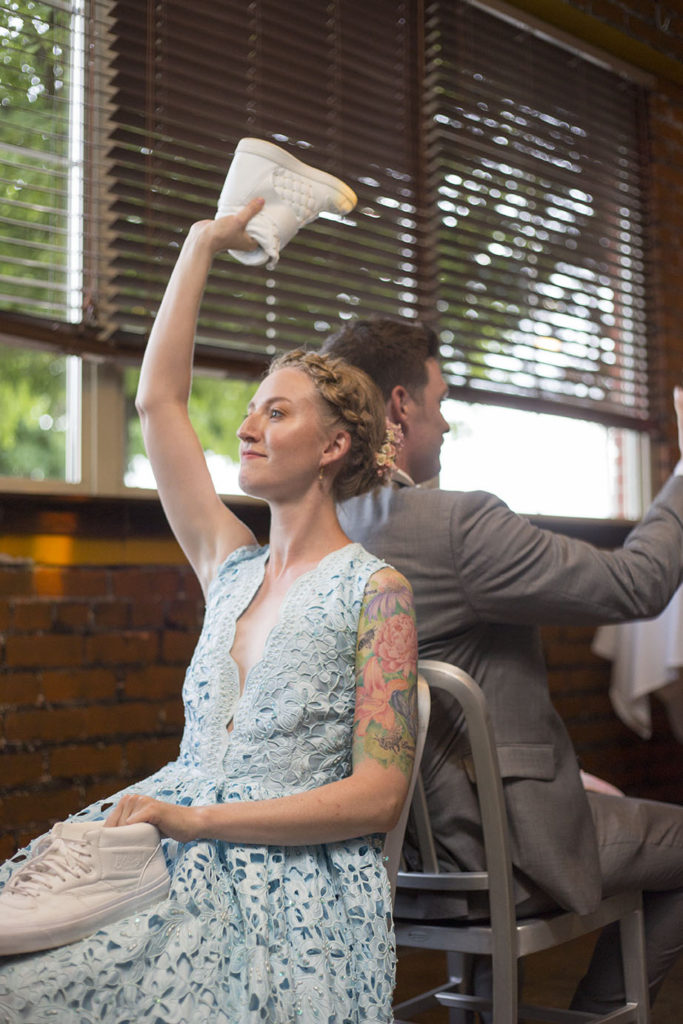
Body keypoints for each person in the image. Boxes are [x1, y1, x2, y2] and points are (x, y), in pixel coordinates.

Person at [0, 204, 418, 1023]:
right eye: (252, 408)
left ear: (334, 447)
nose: (246, 426)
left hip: (288, 882)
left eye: (276, 412)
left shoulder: (377, 591)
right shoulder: (226, 562)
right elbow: (160, 403)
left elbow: (376, 796)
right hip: (163, 844)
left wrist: (196, 818)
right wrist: (199, 244)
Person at [323, 315, 683, 1015]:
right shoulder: (455, 527)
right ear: (400, 406)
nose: (447, 424)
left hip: (390, 856)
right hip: (496, 852)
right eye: (441, 401)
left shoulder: (324, 533)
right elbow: (637, 585)